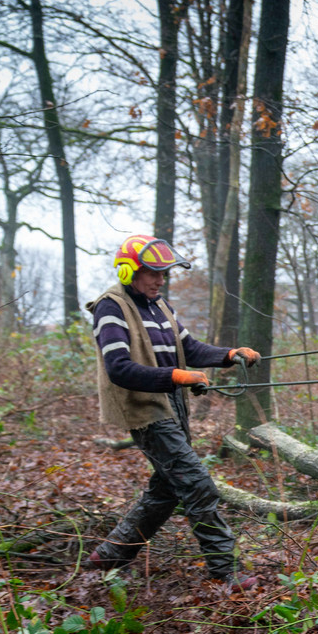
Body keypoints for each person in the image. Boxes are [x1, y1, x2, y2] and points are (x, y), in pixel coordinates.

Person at [84, 234, 260, 589]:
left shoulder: (160, 306)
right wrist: (175, 375)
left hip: (172, 404)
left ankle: (111, 554)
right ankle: (226, 570)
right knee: (197, 484)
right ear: (128, 270)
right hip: (145, 410)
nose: (159, 280)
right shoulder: (111, 308)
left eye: (163, 273)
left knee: (167, 488)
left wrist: (229, 355)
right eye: (152, 272)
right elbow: (118, 368)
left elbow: (189, 348)